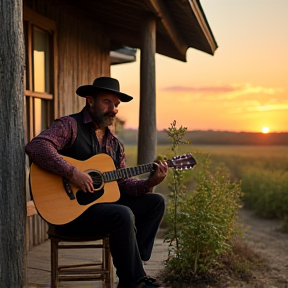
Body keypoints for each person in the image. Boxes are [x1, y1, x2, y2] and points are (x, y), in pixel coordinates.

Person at [25, 76, 168, 288]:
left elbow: (123, 185)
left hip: (102, 212)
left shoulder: (114, 145)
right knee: (122, 214)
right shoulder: (69, 126)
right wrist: (72, 173)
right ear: (90, 101)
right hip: (69, 216)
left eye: (116, 104)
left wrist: (149, 183)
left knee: (156, 201)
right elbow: (37, 146)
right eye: (107, 102)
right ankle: (132, 281)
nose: (113, 109)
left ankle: (135, 266)